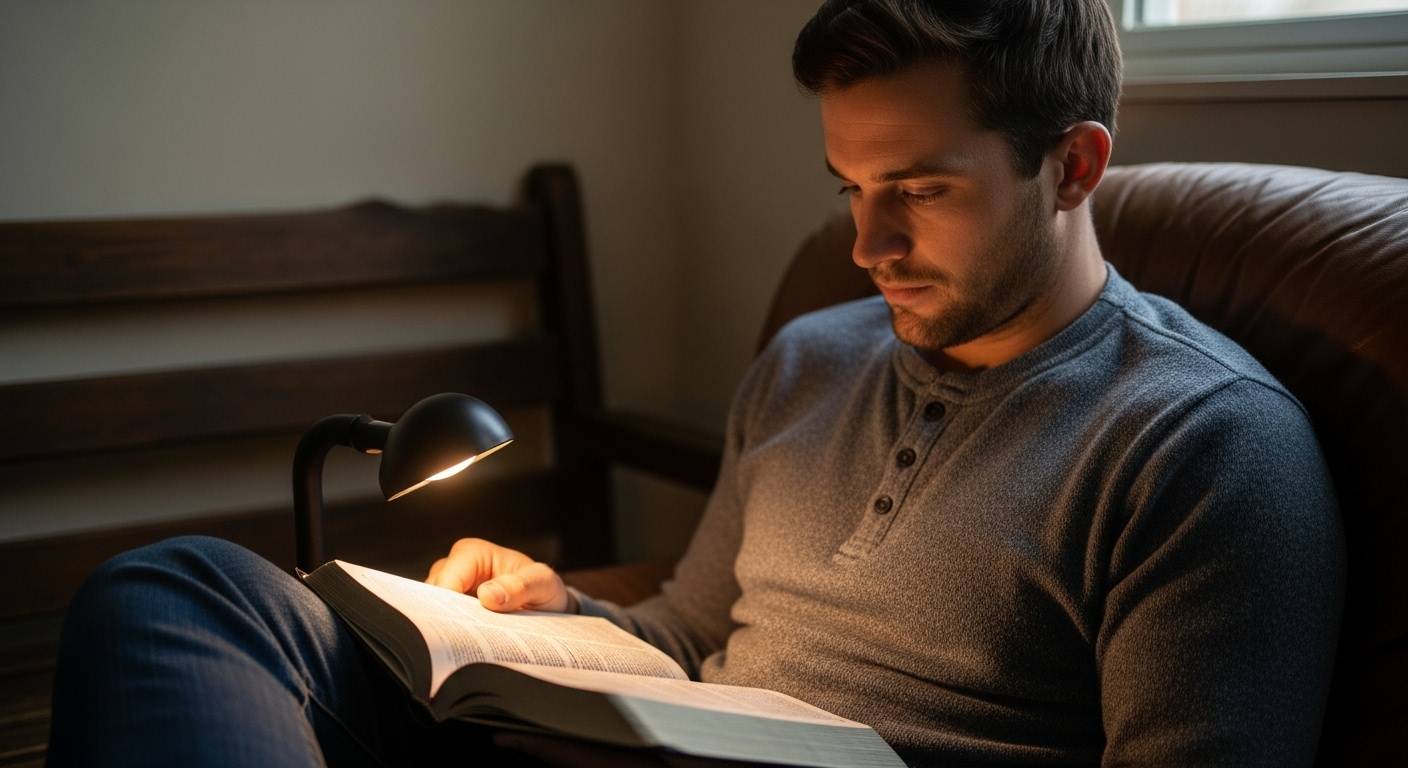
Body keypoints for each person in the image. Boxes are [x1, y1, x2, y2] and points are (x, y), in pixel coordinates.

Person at [48, 1, 1344, 766]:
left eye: (922, 190)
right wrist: (553, 611)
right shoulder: (814, 359)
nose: (866, 244)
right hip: (620, 746)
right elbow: (685, 638)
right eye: (849, 185)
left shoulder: (1206, 445)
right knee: (184, 589)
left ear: (1074, 165)